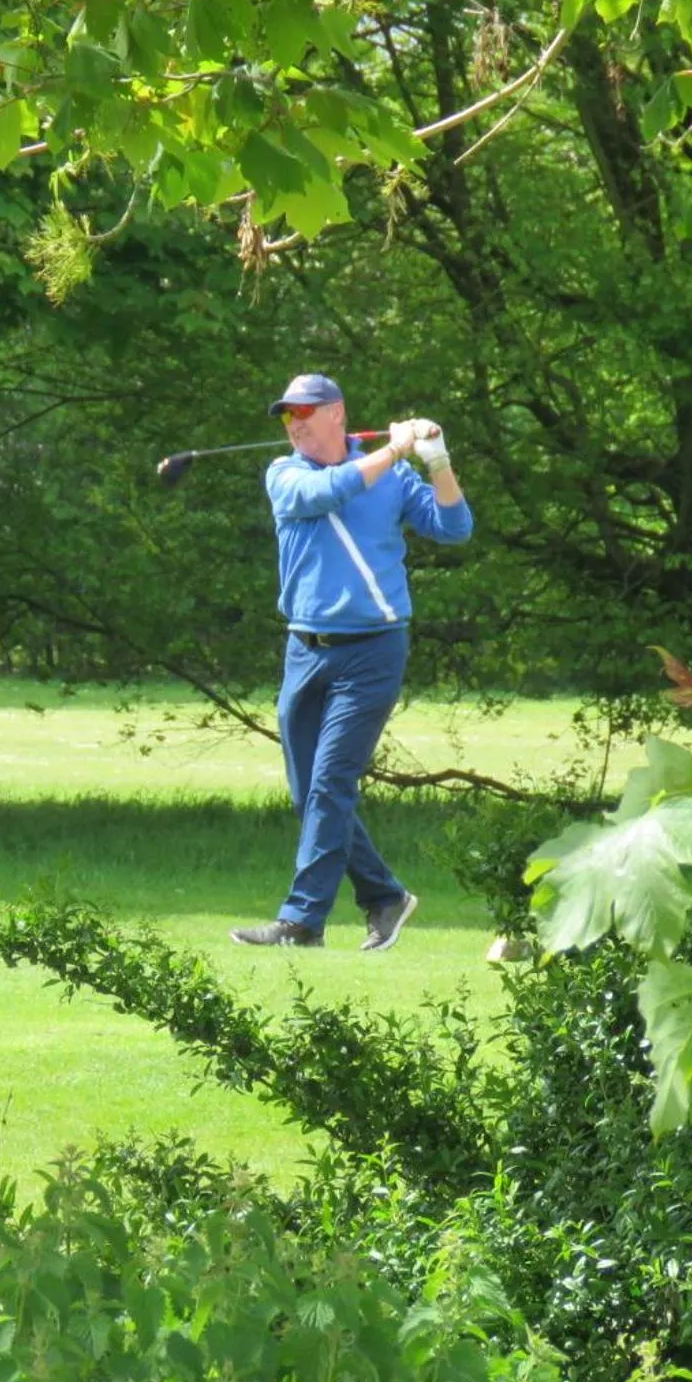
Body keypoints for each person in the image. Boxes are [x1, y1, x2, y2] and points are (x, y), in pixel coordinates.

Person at [231, 372, 473, 950]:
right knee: (308, 791)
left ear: (336, 413)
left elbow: (454, 527)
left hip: (372, 650)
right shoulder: (284, 474)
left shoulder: (394, 479)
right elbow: (326, 494)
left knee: (330, 784)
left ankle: (302, 922)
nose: (293, 424)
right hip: (304, 650)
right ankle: (384, 897)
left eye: (304, 413)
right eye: (287, 416)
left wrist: (436, 459)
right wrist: (394, 448)